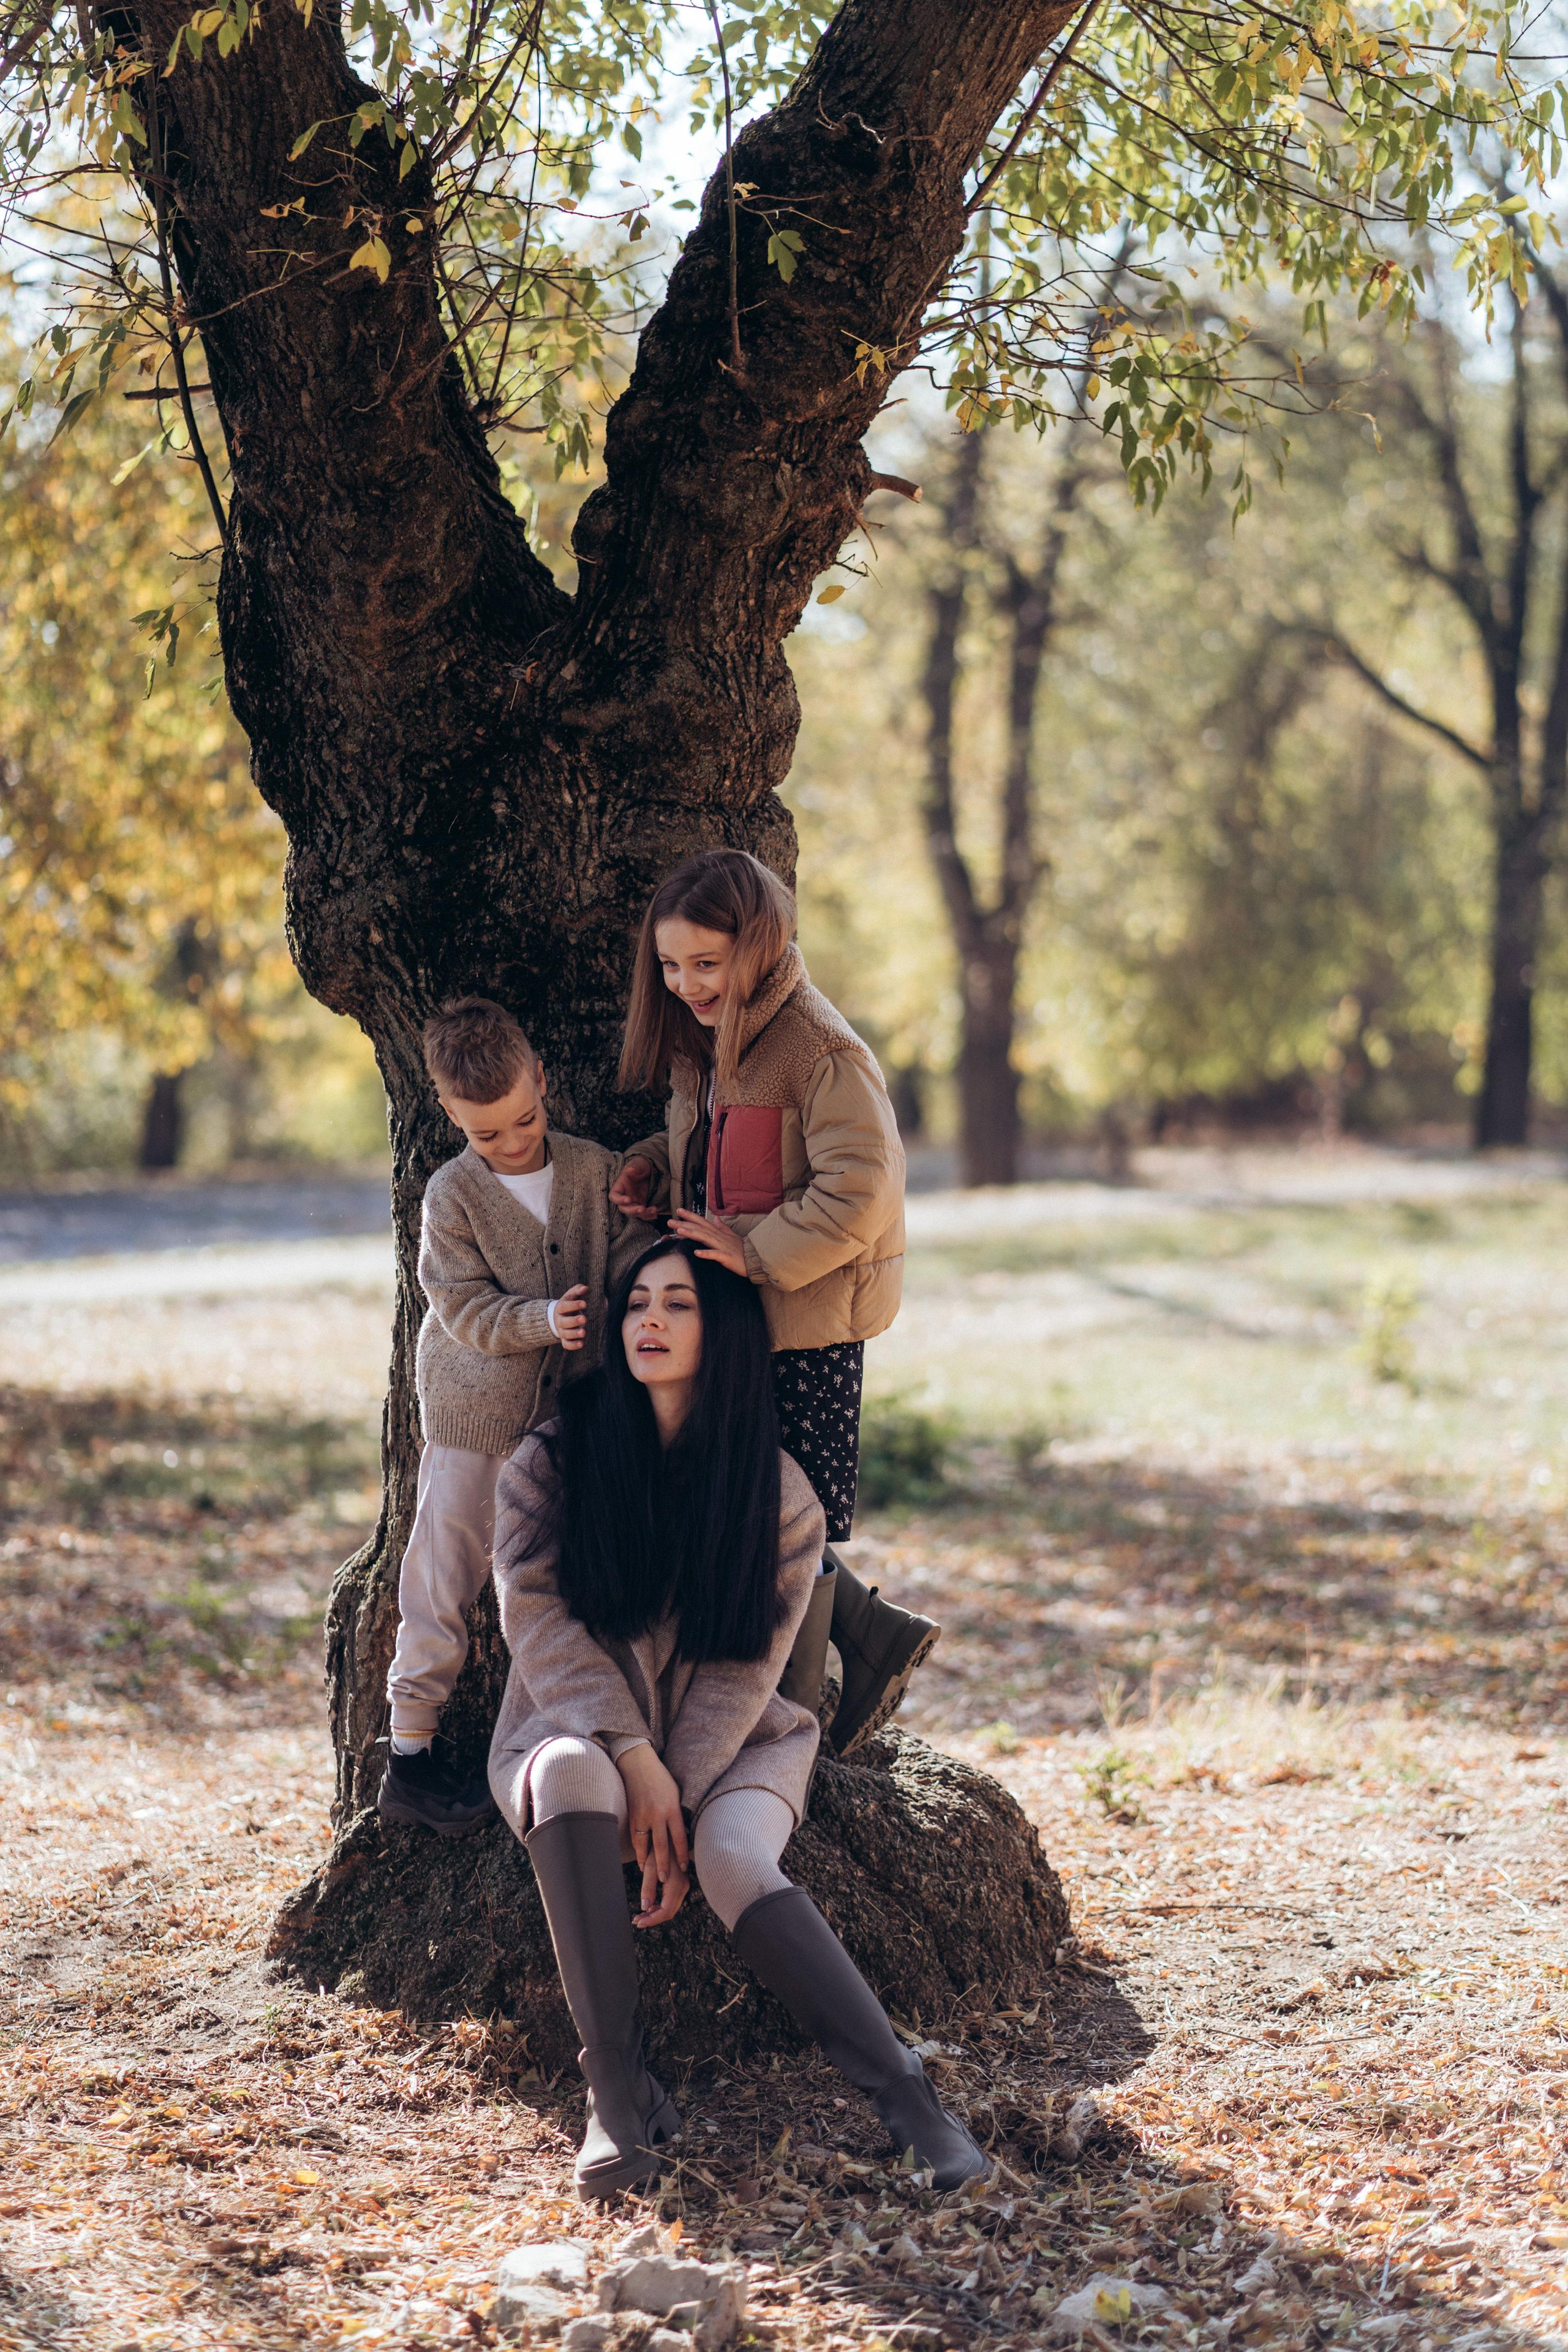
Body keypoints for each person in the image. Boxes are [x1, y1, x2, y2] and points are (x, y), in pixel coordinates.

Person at [488, 1235, 987, 2199]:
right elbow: (533, 1614)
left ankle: (910, 2102)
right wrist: (633, 1758)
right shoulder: (556, 1455)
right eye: (638, 1304)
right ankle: (618, 2098)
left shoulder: (777, 1490)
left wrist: (675, 1798)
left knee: (733, 1859)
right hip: (572, 1721)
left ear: (721, 1332)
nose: (650, 1322)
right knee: (569, 1774)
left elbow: (746, 1670)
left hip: (744, 1738)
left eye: (678, 1305)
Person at [609, 846, 937, 1754]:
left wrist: (754, 1252)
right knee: (751, 1499)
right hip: (744, 1316)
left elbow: (859, 1188)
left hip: (807, 1324)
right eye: (671, 966)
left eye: (706, 964)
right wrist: (651, 1169)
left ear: (763, 943)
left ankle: (799, 1708)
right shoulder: (713, 1045)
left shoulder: (818, 1050)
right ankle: (867, 1642)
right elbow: (722, 1150)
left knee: (789, 1511)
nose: (686, 983)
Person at [380, 996, 646, 1837]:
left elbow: (636, 1255)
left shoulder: (594, 1170)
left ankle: (573, 1742)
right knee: (444, 1572)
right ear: (450, 1113)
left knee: (555, 1582)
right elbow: (456, 1303)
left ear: (542, 1079)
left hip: (575, 1419)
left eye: (524, 1120)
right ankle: (410, 1753)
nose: (511, 1141)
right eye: (487, 1132)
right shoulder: (452, 1195)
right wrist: (540, 1320)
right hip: (476, 1418)